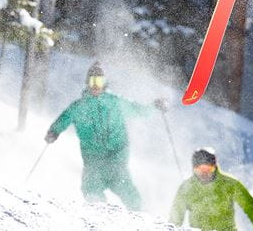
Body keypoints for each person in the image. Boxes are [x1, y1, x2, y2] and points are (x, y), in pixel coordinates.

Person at [44, 62, 168, 210]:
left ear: (104, 83)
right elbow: (64, 118)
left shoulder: (115, 102)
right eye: (92, 81)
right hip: (93, 160)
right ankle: (100, 217)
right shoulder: (79, 106)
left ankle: (141, 218)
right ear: (87, 83)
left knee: (128, 191)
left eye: (99, 81)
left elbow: (138, 110)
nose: (96, 85)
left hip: (116, 158)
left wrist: (154, 106)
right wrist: (54, 131)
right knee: (91, 189)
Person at [169, 147, 253, 231]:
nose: (204, 174)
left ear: (214, 167)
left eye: (208, 169)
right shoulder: (187, 188)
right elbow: (176, 214)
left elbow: (250, 206)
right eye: (200, 170)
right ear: (194, 169)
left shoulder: (230, 183)